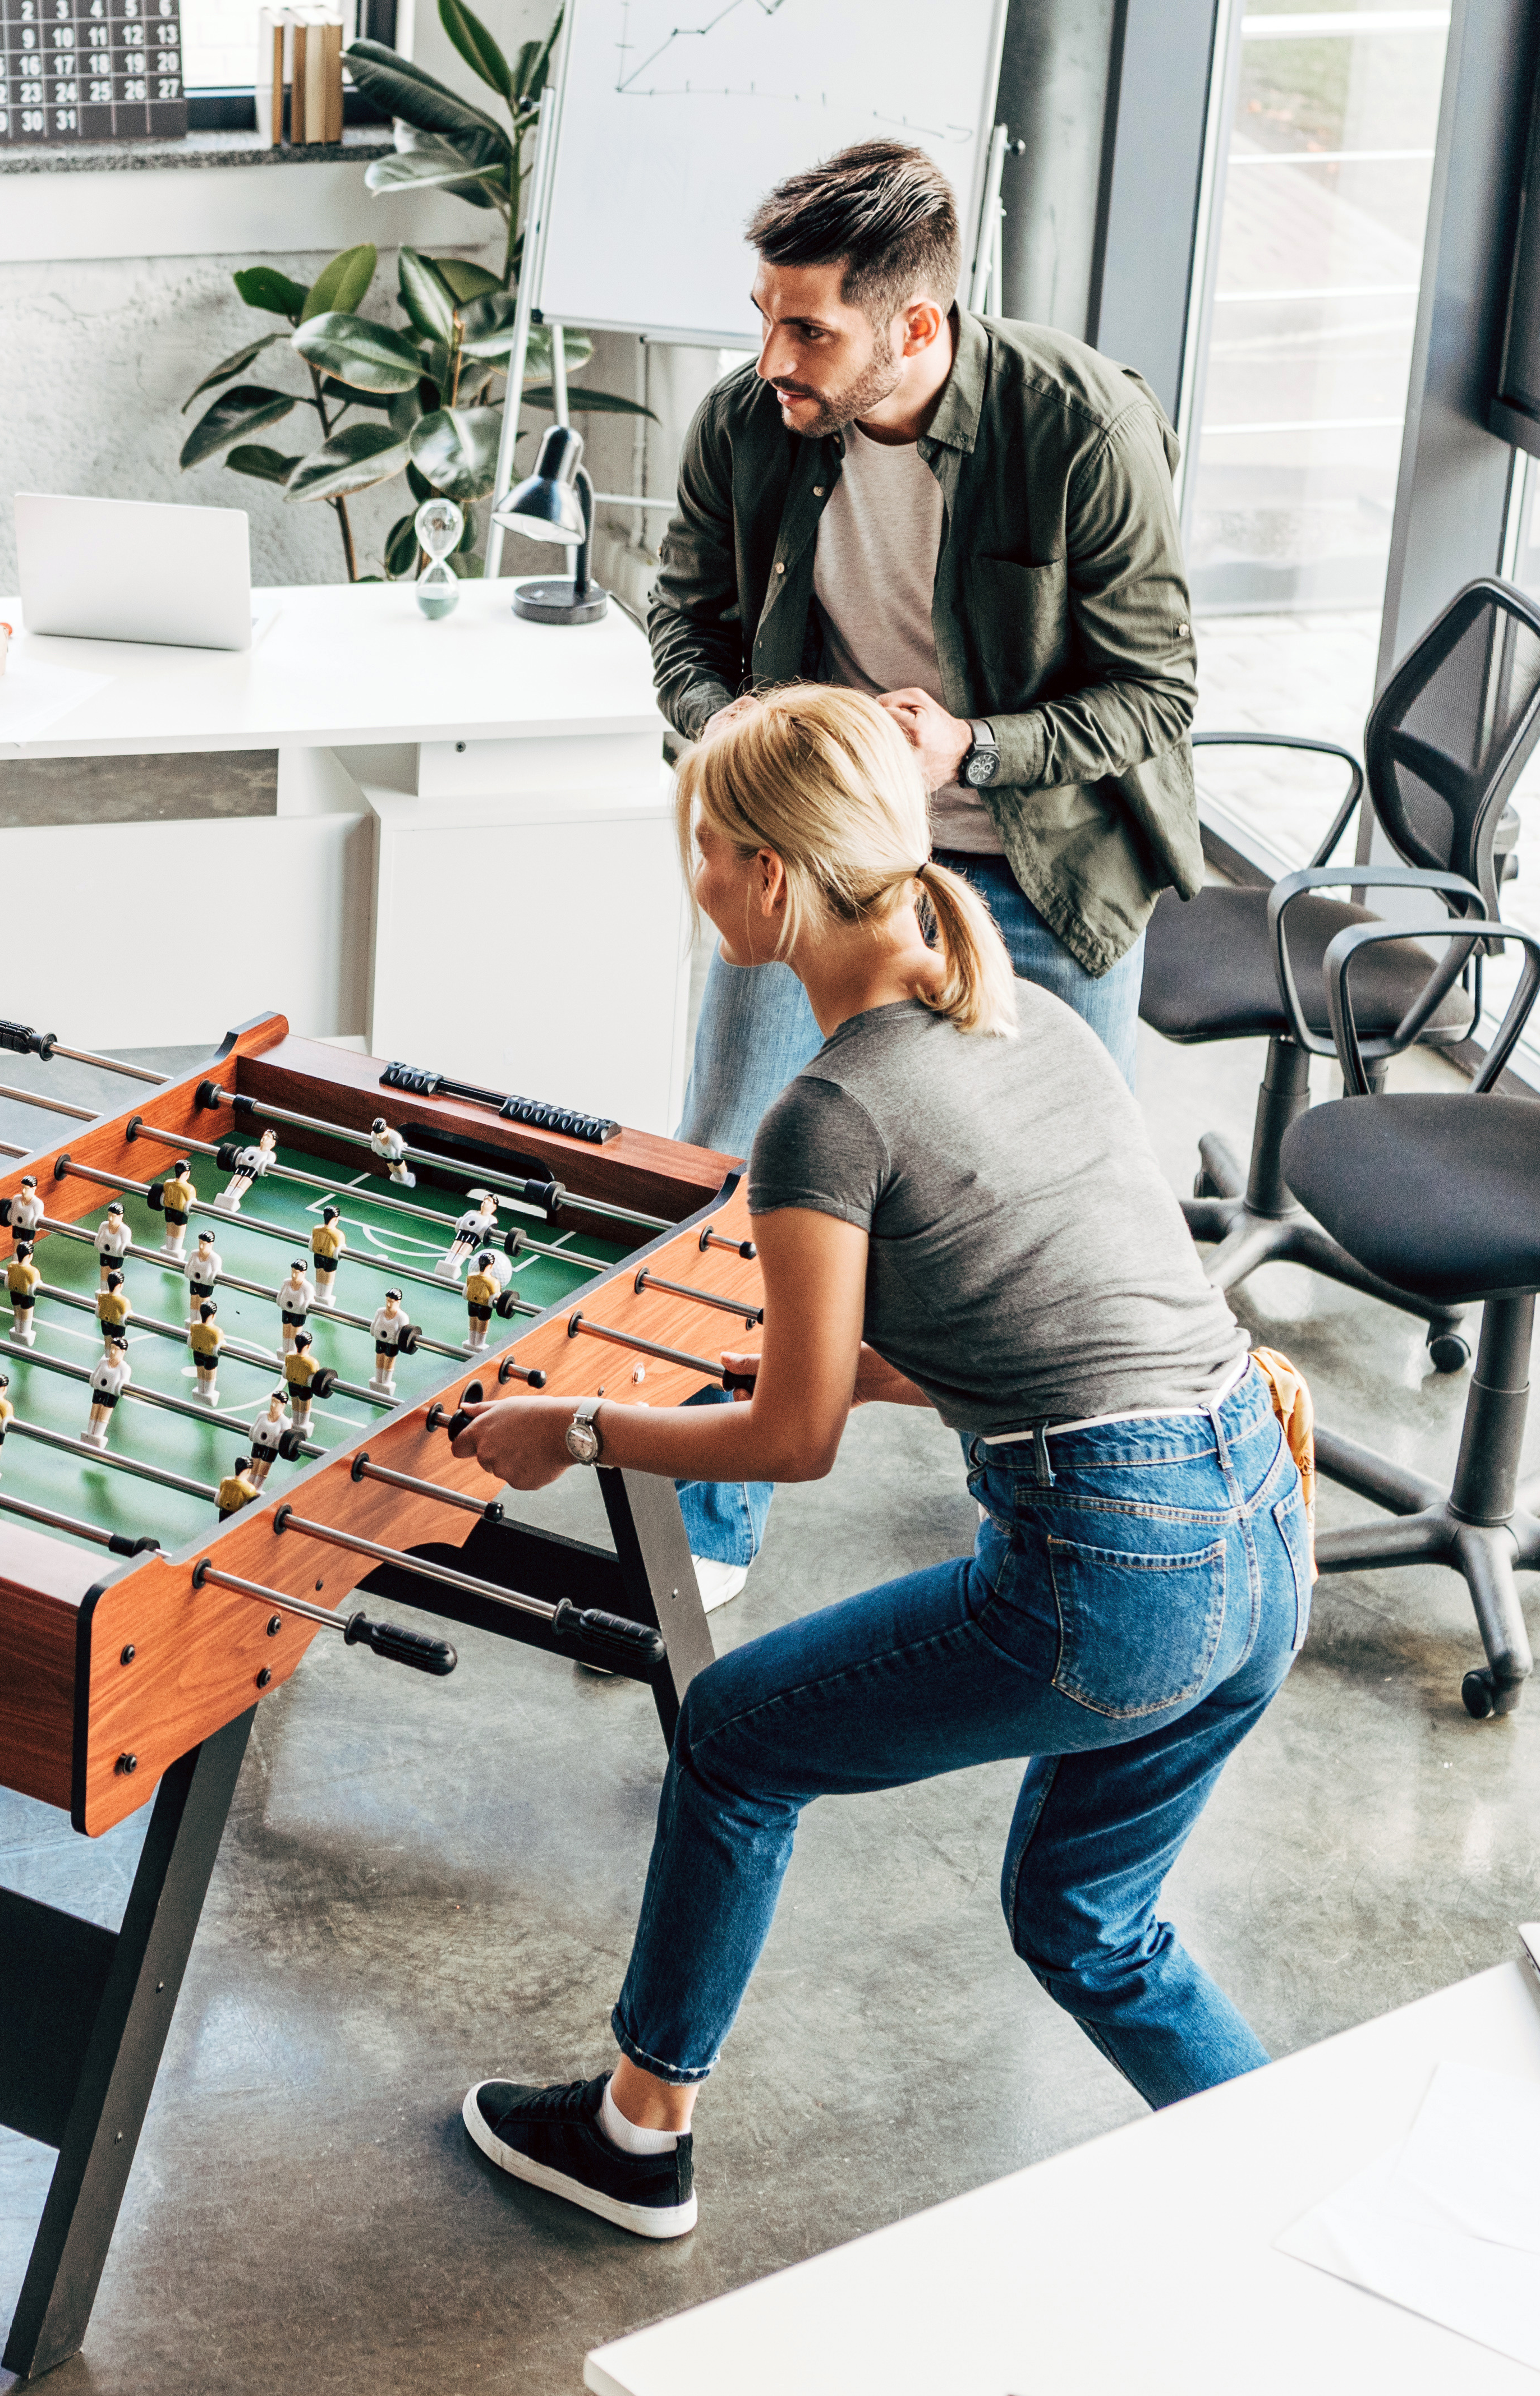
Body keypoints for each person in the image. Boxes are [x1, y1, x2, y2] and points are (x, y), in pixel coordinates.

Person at [448, 685, 1307, 2243]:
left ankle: (637, 2139)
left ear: (767, 876)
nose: (695, 881)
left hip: (1113, 1579)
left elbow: (797, 1441)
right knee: (1089, 1926)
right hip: (1258, 1531)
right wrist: (755, 1366)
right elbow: (1023, 1328)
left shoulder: (827, 1114)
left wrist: (569, 1430)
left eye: (702, 849)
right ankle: (1312, 2205)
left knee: (731, 1735)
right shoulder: (1022, 1014)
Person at [650, 139, 1203, 1153]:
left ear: (914, 327)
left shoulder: (1086, 431)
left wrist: (968, 749)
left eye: (810, 332)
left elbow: (1156, 696)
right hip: (824, 850)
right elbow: (684, 626)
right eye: (766, 320)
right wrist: (720, 719)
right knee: (729, 1154)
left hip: (1044, 865)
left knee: (1063, 1184)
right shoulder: (746, 422)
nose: (774, 359)